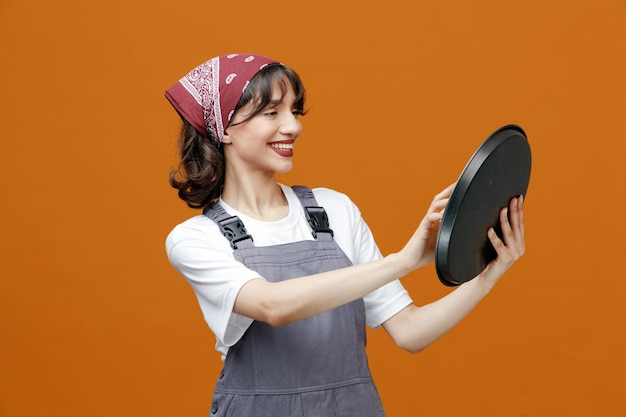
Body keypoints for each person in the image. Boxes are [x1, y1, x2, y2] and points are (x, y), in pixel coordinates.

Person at [164, 53, 525, 417]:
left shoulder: (335, 210)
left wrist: (487, 275)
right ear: (223, 128)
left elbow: (411, 332)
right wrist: (405, 259)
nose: (292, 127)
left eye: (295, 111)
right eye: (272, 113)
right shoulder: (196, 239)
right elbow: (272, 306)